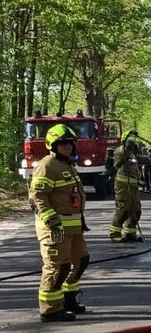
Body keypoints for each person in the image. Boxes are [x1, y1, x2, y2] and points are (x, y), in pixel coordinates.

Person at [28, 124, 91, 322]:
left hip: (73, 228)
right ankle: (50, 309)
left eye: (69, 143)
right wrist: (52, 222)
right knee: (57, 267)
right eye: (61, 143)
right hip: (55, 229)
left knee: (80, 262)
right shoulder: (47, 166)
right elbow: (37, 197)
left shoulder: (67, 164)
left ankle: (68, 299)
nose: (66, 146)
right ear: (52, 145)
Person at [109, 131, 151, 242]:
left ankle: (130, 234)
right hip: (123, 186)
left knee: (135, 211)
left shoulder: (133, 155)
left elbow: (147, 160)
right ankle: (115, 234)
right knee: (123, 209)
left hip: (133, 187)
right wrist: (126, 144)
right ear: (125, 142)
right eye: (130, 142)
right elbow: (120, 153)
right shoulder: (121, 152)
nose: (133, 145)